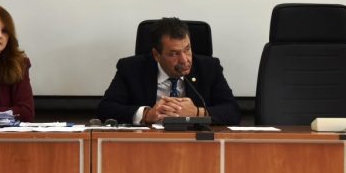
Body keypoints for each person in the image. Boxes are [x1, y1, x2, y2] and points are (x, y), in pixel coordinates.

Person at [97, 17, 240, 125]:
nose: (184, 60)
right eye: (174, 54)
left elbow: (232, 111)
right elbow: (105, 109)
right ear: (156, 55)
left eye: (187, 49)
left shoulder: (209, 68)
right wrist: (147, 114)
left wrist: (197, 113)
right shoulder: (131, 69)